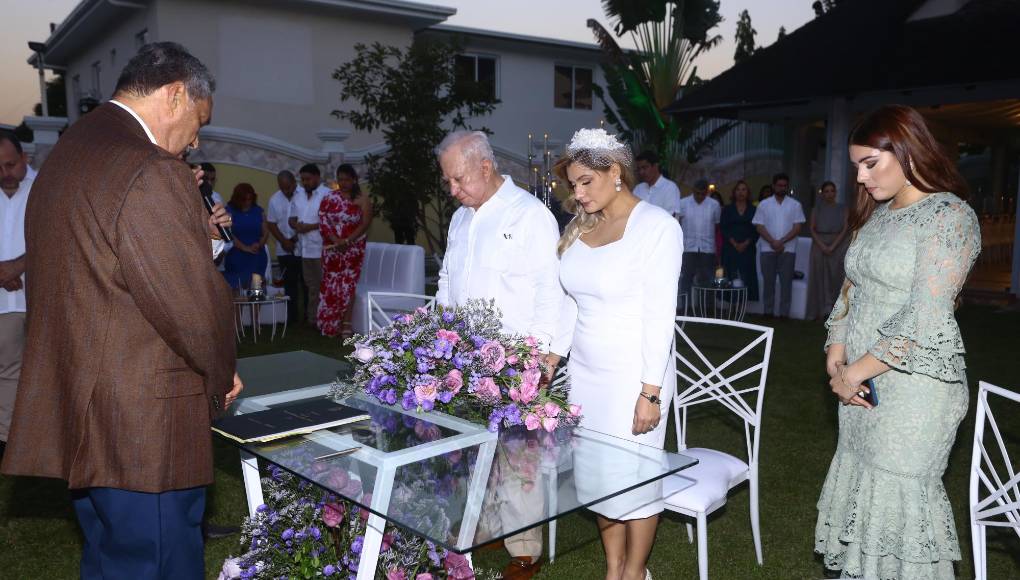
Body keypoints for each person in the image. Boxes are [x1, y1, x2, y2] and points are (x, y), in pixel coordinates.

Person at [0, 42, 242, 579]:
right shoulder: (151, 170)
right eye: (198, 123)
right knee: (159, 562)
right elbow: (191, 304)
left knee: (110, 559)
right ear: (175, 95)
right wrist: (221, 372)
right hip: (142, 425)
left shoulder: (70, 151)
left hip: (85, 409)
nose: (195, 140)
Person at [816, 105, 980, 580]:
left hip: (914, 391)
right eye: (857, 168)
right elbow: (851, 290)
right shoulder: (879, 214)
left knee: (900, 502)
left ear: (908, 151)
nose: (862, 178)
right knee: (864, 494)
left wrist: (853, 374)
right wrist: (835, 359)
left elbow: (925, 317)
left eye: (871, 163)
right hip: (861, 387)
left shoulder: (949, 216)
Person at [548, 128, 683, 580]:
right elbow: (570, 300)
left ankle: (635, 572)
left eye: (587, 181)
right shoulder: (581, 225)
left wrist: (650, 393)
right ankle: (613, 569)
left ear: (615, 172)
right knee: (598, 478)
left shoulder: (658, 227)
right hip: (587, 374)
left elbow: (661, 316)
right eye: (573, 184)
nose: (578, 192)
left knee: (638, 481)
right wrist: (551, 357)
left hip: (636, 375)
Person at [435, 130, 561, 580]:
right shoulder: (460, 220)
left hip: (516, 358)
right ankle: (482, 526)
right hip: (463, 357)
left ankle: (526, 549)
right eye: (448, 181)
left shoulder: (530, 216)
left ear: (485, 167)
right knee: (471, 450)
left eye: (458, 179)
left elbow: (552, 291)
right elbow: (447, 284)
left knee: (518, 455)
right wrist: (438, 339)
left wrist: (543, 359)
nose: (453, 190)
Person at [0, 131, 35, 460]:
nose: (5, 173)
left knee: (45, 371)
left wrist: (20, 264)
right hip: (4, 304)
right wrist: (3, 272)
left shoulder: (45, 187)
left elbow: (58, 236)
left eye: (10, 164)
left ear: (25, 158)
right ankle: (10, 444)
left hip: (40, 298)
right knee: (7, 374)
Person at [318, 164, 373, 338]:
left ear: (354, 180)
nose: (343, 183)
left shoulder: (362, 199)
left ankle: (347, 323)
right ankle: (330, 324)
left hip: (353, 250)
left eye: (347, 179)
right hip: (333, 249)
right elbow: (323, 219)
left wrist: (348, 240)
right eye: (340, 179)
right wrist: (336, 241)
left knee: (348, 287)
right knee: (331, 286)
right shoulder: (329, 197)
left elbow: (365, 223)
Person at [753, 173, 805, 318]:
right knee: (768, 282)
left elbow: (797, 227)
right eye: (779, 185)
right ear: (773, 186)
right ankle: (768, 312)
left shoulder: (795, 205)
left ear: (787, 187)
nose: (782, 188)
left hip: (787, 249)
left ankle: (784, 314)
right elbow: (759, 226)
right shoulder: (764, 204)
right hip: (766, 248)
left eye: (784, 186)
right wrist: (772, 242)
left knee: (786, 283)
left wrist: (780, 241)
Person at [289, 163, 331, 325]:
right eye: (303, 179)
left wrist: (310, 227)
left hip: (322, 248)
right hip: (304, 249)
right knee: (311, 287)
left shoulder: (327, 194)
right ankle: (312, 319)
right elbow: (291, 218)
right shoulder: (298, 195)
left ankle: (325, 320)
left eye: (308, 179)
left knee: (323, 286)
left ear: (317, 178)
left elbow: (330, 221)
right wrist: (296, 225)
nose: (305, 182)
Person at [806, 181, 849, 320]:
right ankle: (818, 311)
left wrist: (833, 246)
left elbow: (845, 228)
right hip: (819, 243)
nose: (829, 194)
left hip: (838, 244)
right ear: (822, 194)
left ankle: (836, 311)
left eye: (832, 191)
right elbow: (811, 228)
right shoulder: (816, 209)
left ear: (835, 192)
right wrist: (822, 245)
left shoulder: (843, 208)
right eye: (827, 191)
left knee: (836, 276)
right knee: (818, 276)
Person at [267, 170, 302, 322]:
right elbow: (271, 223)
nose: (285, 191)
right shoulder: (274, 199)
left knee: (306, 284)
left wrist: (293, 240)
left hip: (303, 248)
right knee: (289, 285)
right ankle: (292, 318)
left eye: (288, 187)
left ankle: (308, 316)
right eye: (282, 188)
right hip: (284, 250)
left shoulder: (304, 196)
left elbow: (307, 220)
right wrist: (284, 241)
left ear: (294, 182)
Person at [222, 183, 269, 291]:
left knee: (256, 291)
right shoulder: (229, 212)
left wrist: (259, 244)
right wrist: (244, 247)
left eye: (250, 199)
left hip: (256, 257)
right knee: (236, 290)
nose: (248, 202)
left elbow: (265, 231)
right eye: (245, 200)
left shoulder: (258, 211)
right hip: (237, 256)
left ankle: (256, 307)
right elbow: (228, 234)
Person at [678, 178, 721, 296]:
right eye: (697, 193)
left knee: (707, 279)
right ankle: (686, 309)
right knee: (686, 278)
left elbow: (717, 225)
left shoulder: (714, 205)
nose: (700, 196)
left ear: (707, 192)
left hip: (707, 248)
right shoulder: (683, 203)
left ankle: (706, 310)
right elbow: (678, 223)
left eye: (703, 193)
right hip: (688, 248)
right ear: (693, 190)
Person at [720, 180, 759, 300]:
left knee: (746, 274)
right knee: (731, 273)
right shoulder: (727, 209)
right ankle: (730, 303)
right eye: (738, 189)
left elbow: (756, 229)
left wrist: (746, 243)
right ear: (734, 192)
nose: (741, 192)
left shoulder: (754, 209)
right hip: (730, 247)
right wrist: (735, 243)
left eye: (744, 189)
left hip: (748, 248)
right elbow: (724, 228)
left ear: (748, 193)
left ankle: (744, 306)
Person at [633, 150, 681, 219]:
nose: (641, 172)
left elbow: (671, 218)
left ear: (655, 166)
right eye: (639, 169)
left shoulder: (670, 188)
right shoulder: (638, 189)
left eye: (645, 167)